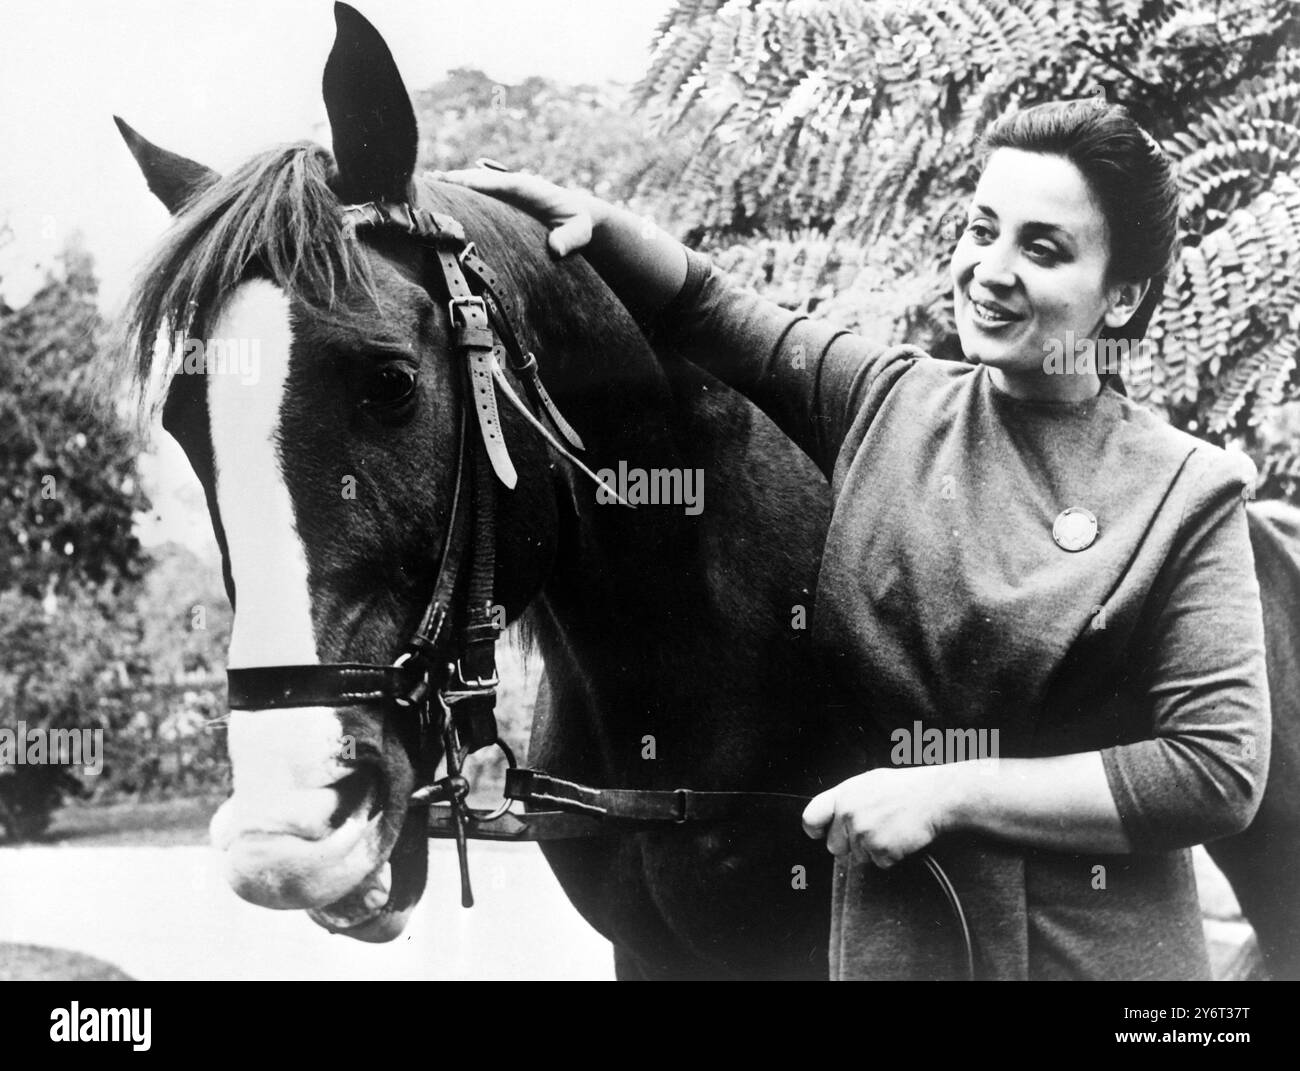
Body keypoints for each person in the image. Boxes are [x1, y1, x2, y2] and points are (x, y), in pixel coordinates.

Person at [437, 99, 1271, 980]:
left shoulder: (1187, 489)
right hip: (893, 951)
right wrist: (593, 222)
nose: (991, 270)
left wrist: (947, 790)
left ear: (1126, 294)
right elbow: (712, 306)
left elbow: (1215, 767)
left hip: (1091, 964)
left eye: (1043, 247)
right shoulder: (888, 403)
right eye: (981, 229)